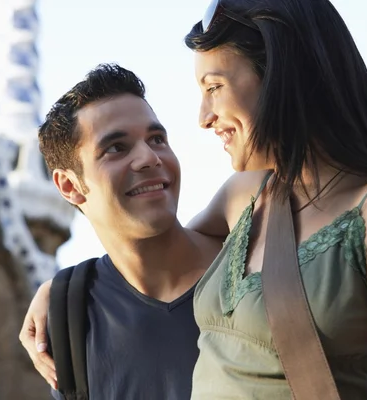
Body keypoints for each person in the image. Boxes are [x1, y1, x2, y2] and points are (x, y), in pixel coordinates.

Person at [22, 0, 367, 398]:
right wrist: (66, 290)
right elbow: (155, 252)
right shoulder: (247, 197)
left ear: (281, 76)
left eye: (214, 87)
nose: (204, 118)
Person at [23, 63, 222, 399]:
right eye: (116, 148)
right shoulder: (69, 319)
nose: (149, 158)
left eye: (157, 139)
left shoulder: (252, 259)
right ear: (70, 186)